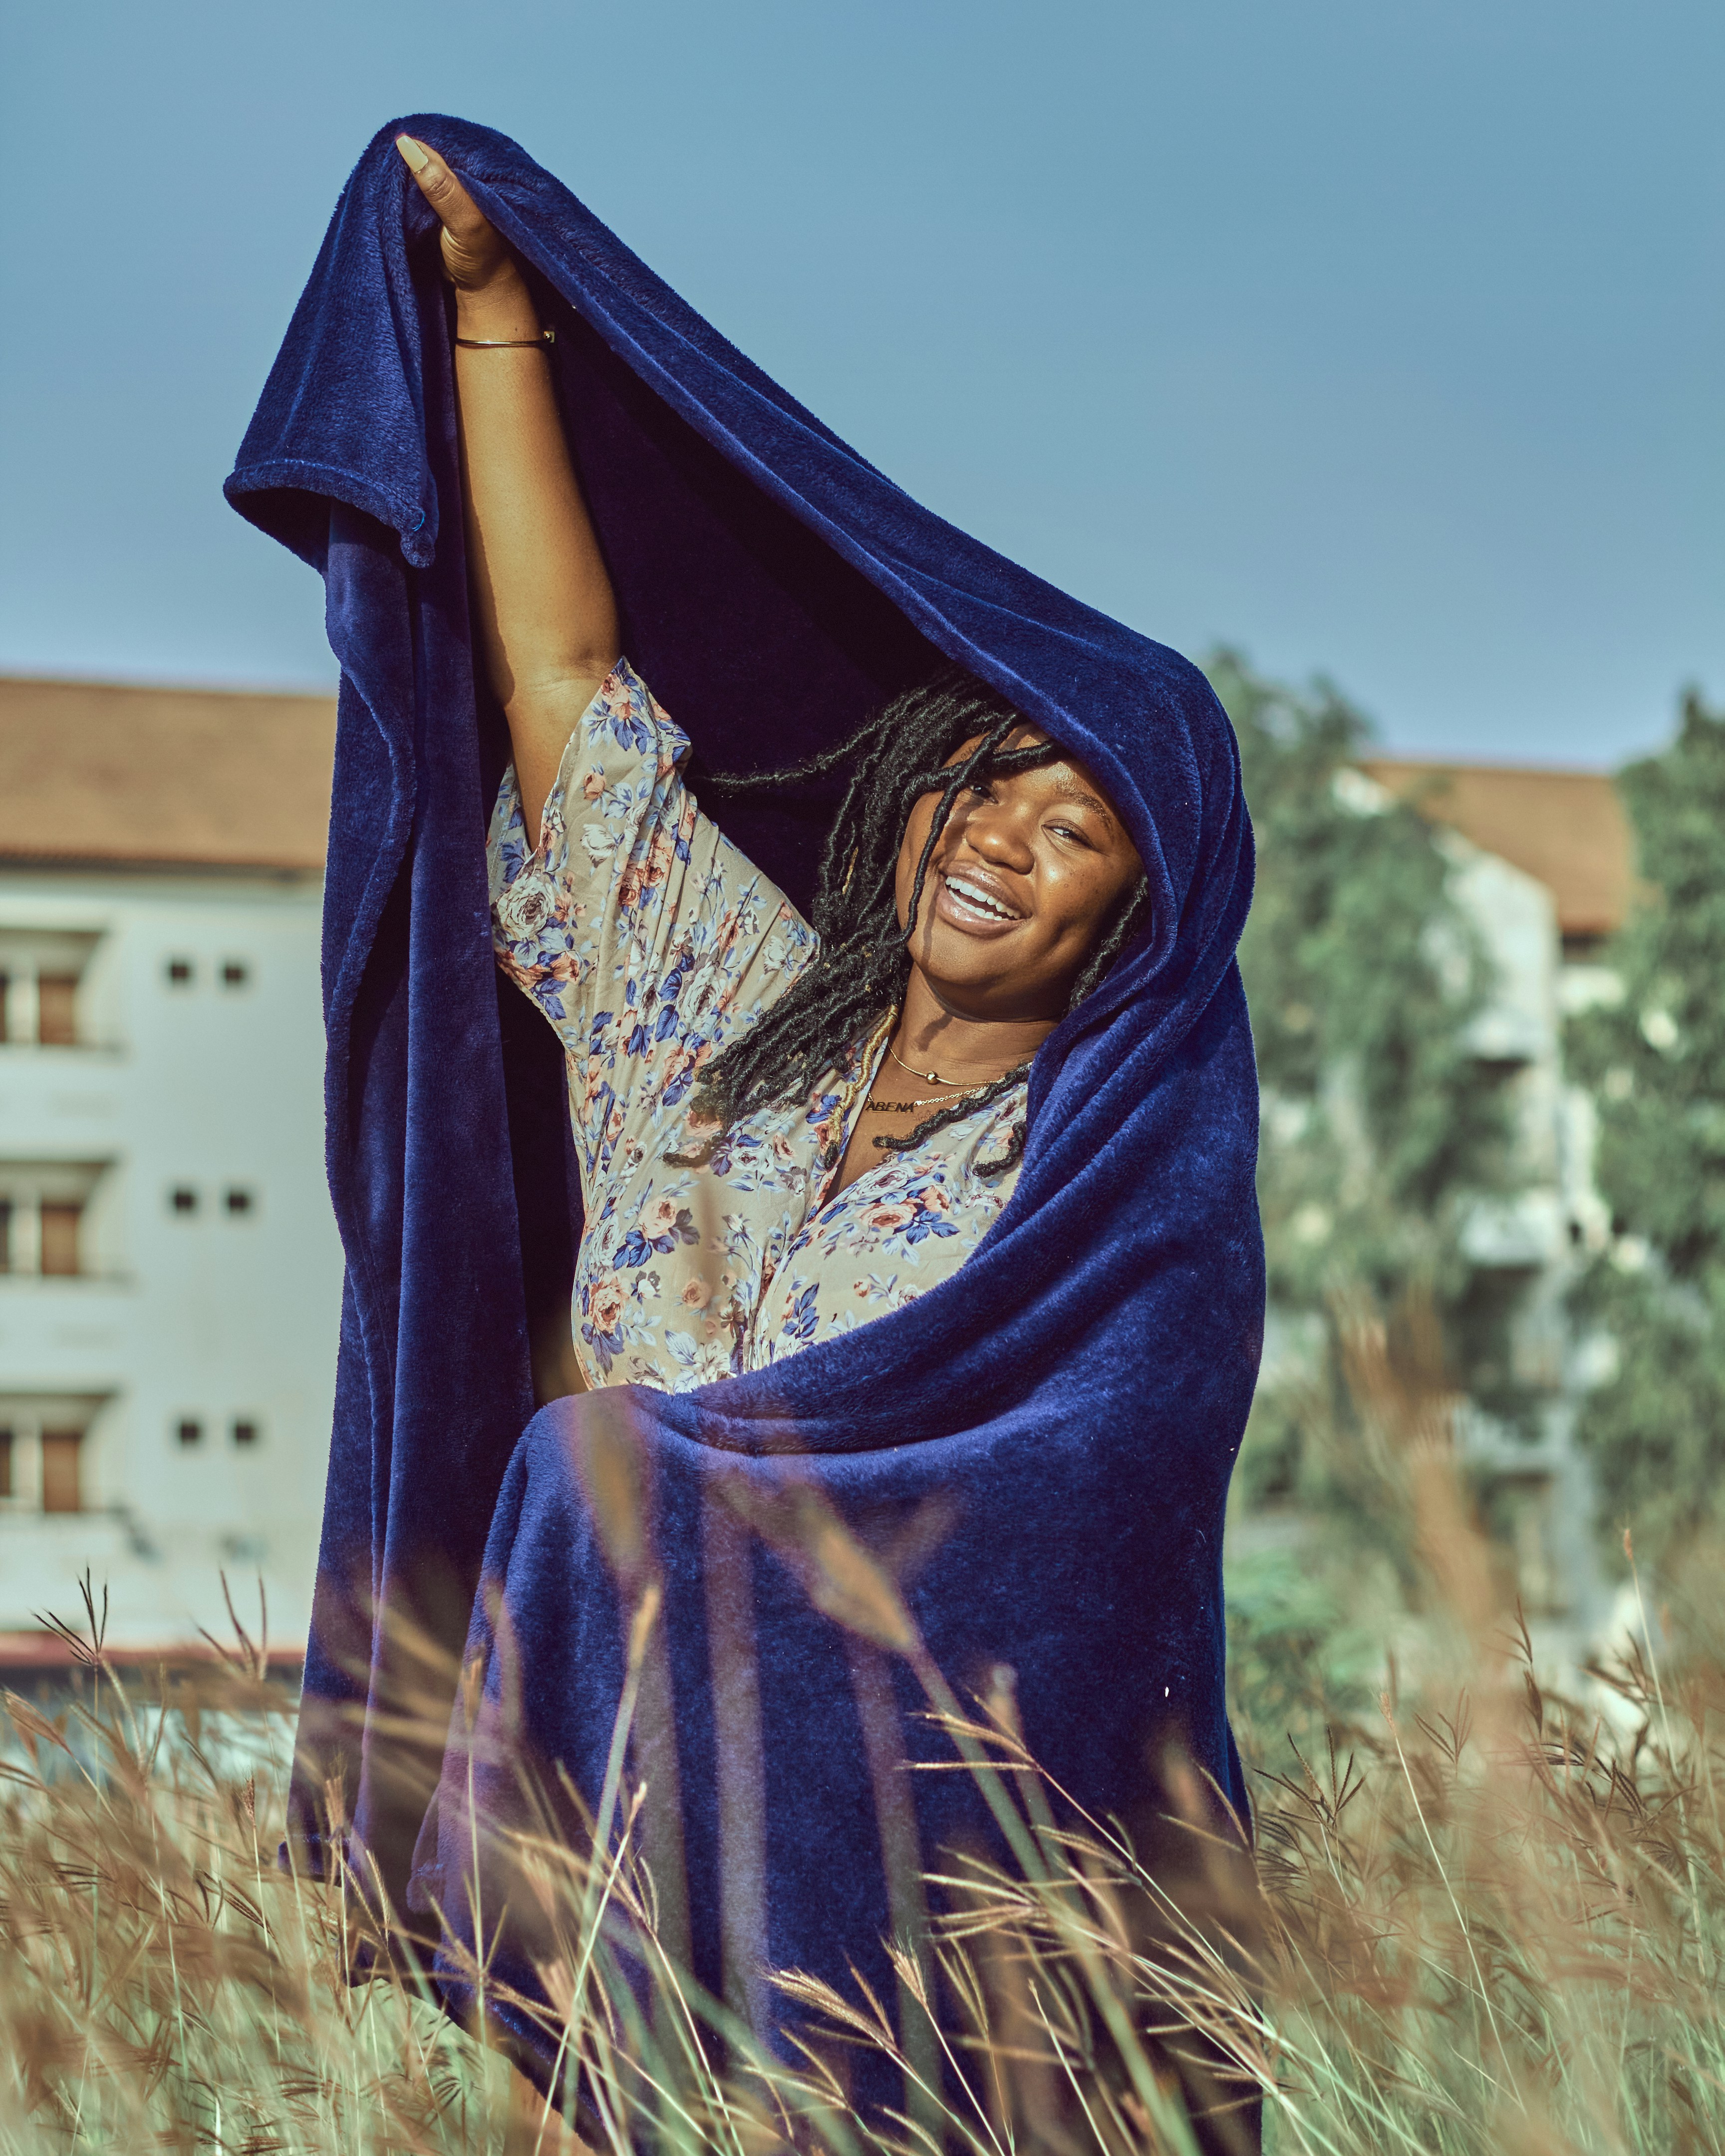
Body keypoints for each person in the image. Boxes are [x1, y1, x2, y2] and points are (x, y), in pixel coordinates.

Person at [396, 132, 1150, 1393]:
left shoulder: (1088, 1174)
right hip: (597, 1595)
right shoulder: (725, 1005)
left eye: (1072, 831)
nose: (996, 837)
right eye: (974, 784)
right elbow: (566, 684)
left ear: (1136, 911)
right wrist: (495, 305)